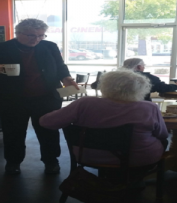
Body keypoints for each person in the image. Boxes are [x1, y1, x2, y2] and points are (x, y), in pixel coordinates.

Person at [0, 18, 78, 175]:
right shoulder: (0, 48)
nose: (36, 39)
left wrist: (67, 79)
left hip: (46, 97)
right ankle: (13, 162)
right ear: (18, 33)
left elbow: (60, 67)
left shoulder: (49, 46)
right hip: (11, 99)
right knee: (13, 133)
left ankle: (51, 161)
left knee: (48, 131)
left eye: (41, 35)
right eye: (31, 35)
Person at [40, 69, 168, 174]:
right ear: (141, 89)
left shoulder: (85, 103)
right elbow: (162, 135)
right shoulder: (149, 108)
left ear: (104, 86)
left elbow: (46, 122)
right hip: (136, 159)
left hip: (88, 156)